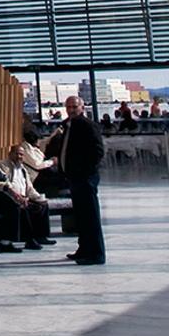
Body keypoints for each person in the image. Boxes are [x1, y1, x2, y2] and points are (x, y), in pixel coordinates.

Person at [58, 96, 106, 265]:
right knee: (82, 216)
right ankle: (84, 248)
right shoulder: (68, 125)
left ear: (82, 107)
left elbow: (97, 151)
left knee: (91, 216)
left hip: (85, 178)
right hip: (74, 178)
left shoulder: (87, 125)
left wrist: (85, 171)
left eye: (74, 107)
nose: (71, 110)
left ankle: (96, 253)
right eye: (68, 107)